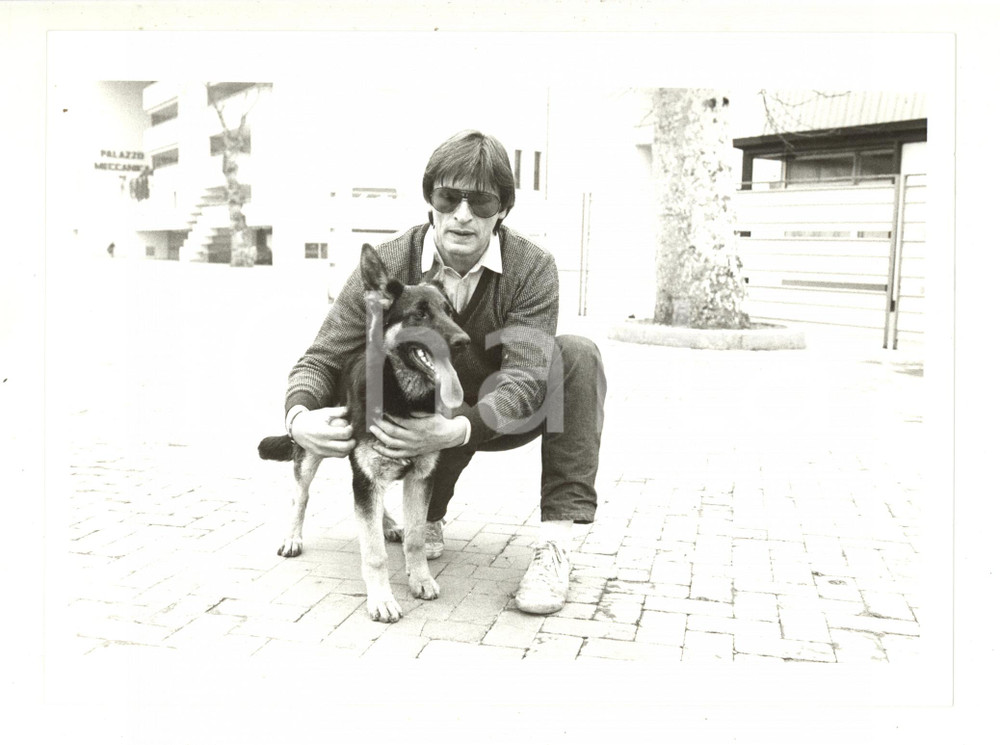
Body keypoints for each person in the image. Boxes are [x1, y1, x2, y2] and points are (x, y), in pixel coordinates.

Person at [283, 130, 606, 615]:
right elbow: (325, 356)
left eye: (481, 201)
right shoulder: (391, 262)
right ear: (430, 200)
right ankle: (426, 518)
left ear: (503, 210)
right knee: (396, 423)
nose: (462, 214)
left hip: (484, 414)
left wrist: (458, 428)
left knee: (578, 356)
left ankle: (554, 546)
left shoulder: (533, 268)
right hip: (412, 416)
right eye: (448, 196)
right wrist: (299, 417)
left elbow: (524, 379)